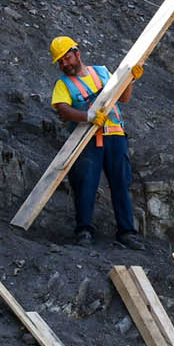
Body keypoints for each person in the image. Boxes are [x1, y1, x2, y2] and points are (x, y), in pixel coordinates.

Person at [48, 35, 140, 249]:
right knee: (85, 184)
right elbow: (63, 110)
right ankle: (84, 231)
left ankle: (127, 233)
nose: (64, 64)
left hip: (115, 136)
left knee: (120, 183)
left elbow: (123, 98)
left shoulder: (102, 72)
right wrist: (87, 117)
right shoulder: (62, 84)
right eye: (60, 61)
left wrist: (130, 81)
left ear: (77, 53)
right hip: (86, 139)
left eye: (67, 58)